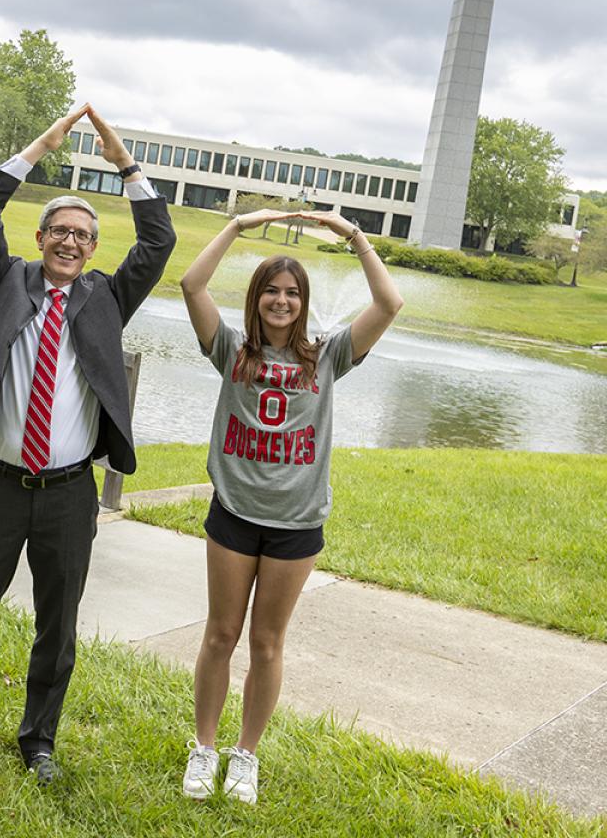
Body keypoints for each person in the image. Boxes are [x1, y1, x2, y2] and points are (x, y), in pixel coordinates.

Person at [0, 104, 176, 785]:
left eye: (82, 234)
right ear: (41, 234)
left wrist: (123, 160)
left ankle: (40, 741)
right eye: (59, 229)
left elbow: (159, 240)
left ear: (92, 247)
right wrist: (48, 141)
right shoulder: (4, 279)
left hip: (67, 493)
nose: (70, 241)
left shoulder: (108, 297)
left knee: (58, 625)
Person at [177, 209, 403, 805]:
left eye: (293, 293)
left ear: (303, 303)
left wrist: (353, 235)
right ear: (257, 300)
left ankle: (245, 756)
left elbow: (389, 303)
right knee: (221, 634)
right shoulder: (230, 348)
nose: (282, 301)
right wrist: (237, 226)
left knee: (267, 644)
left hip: (297, 524)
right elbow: (191, 285)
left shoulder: (327, 357)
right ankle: (204, 749)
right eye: (272, 292)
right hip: (234, 517)